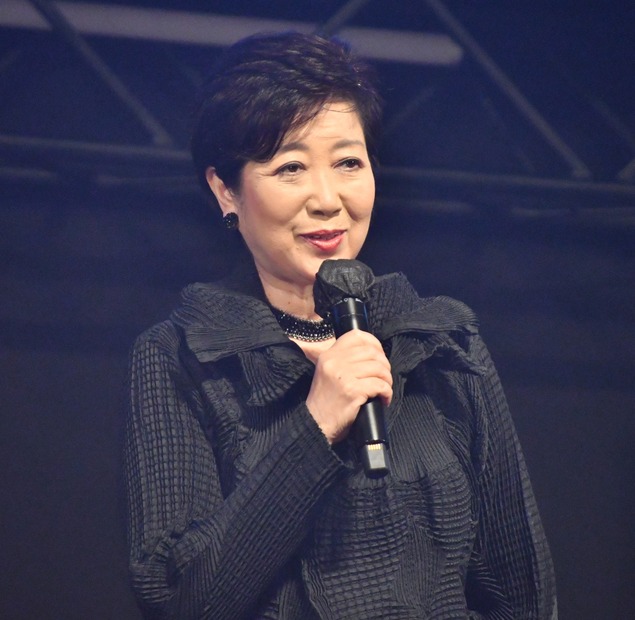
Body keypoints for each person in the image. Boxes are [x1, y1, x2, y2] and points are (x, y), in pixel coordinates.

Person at [123, 31, 557, 619]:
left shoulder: (439, 344)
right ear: (225, 190)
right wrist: (316, 424)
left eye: (348, 163)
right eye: (291, 167)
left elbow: (524, 594)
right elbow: (179, 599)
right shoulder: (184, 356)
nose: (327, 199)